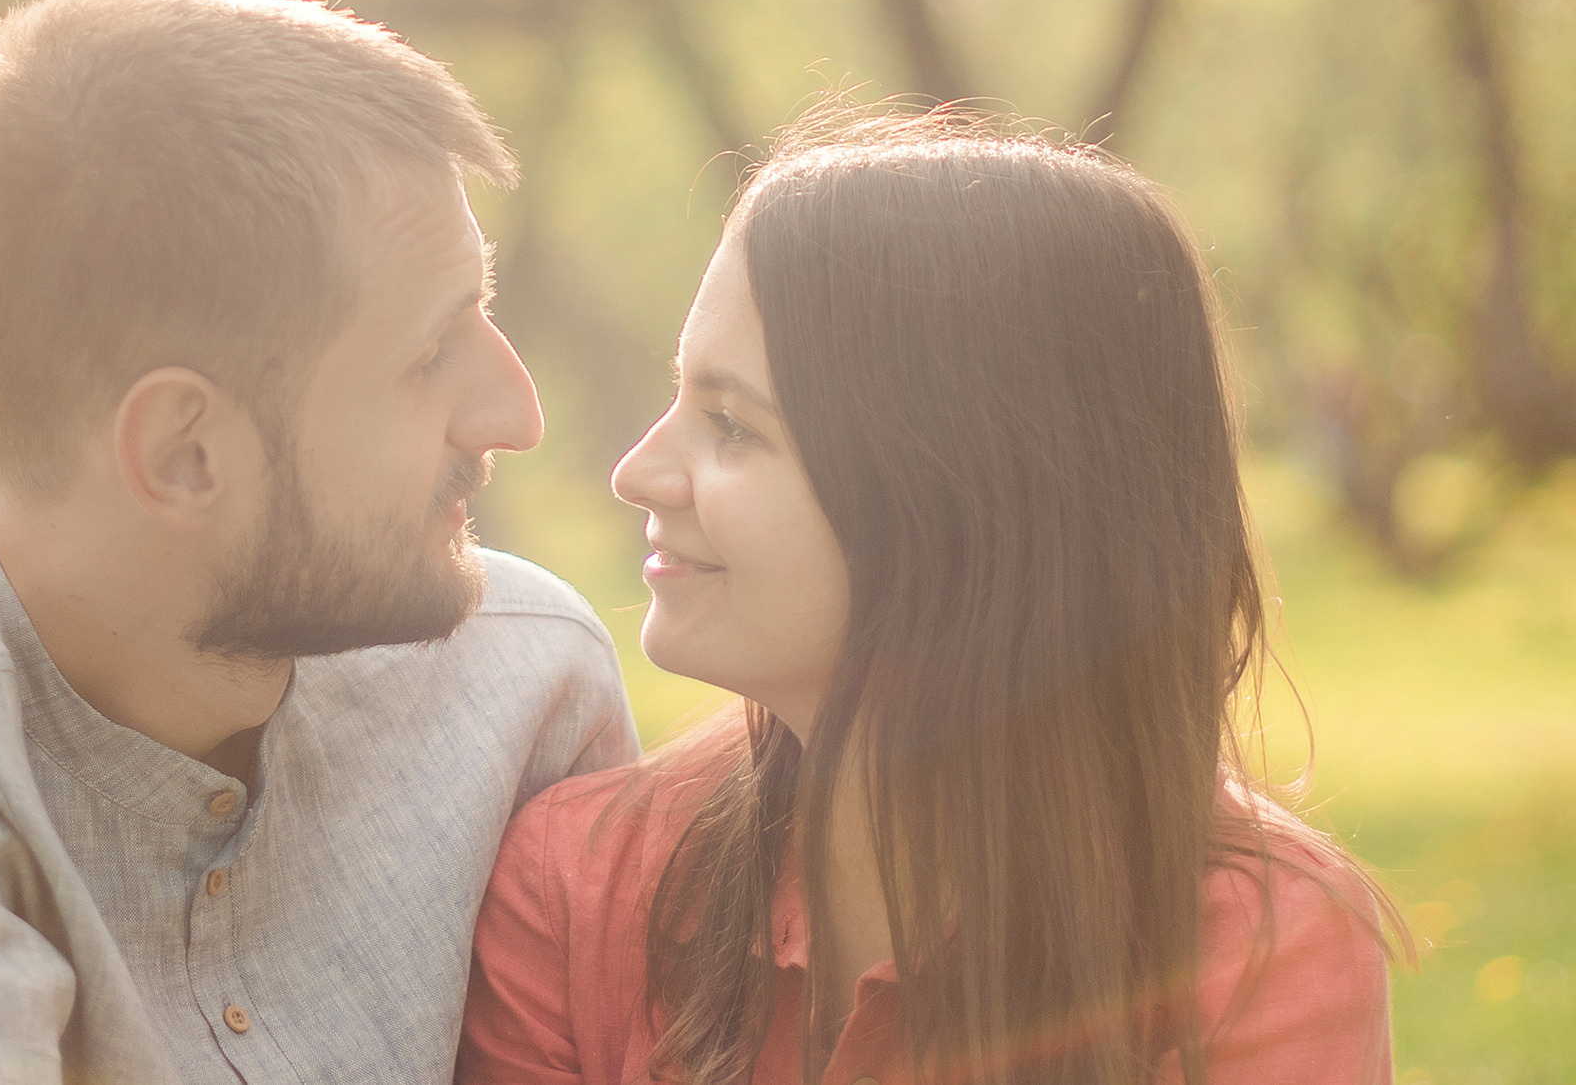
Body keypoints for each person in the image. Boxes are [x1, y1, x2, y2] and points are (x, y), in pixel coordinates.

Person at [0, 0, 638, 1084]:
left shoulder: (529, 686)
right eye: (430, 352)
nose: (515, 413)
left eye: (483, 310)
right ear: (181, 453)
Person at [458, 105, 1403, 1085]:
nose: (637, 473)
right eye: (678, 397)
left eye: (731, 426)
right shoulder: (573, 889)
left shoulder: (1263, 949)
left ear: (958, 498)